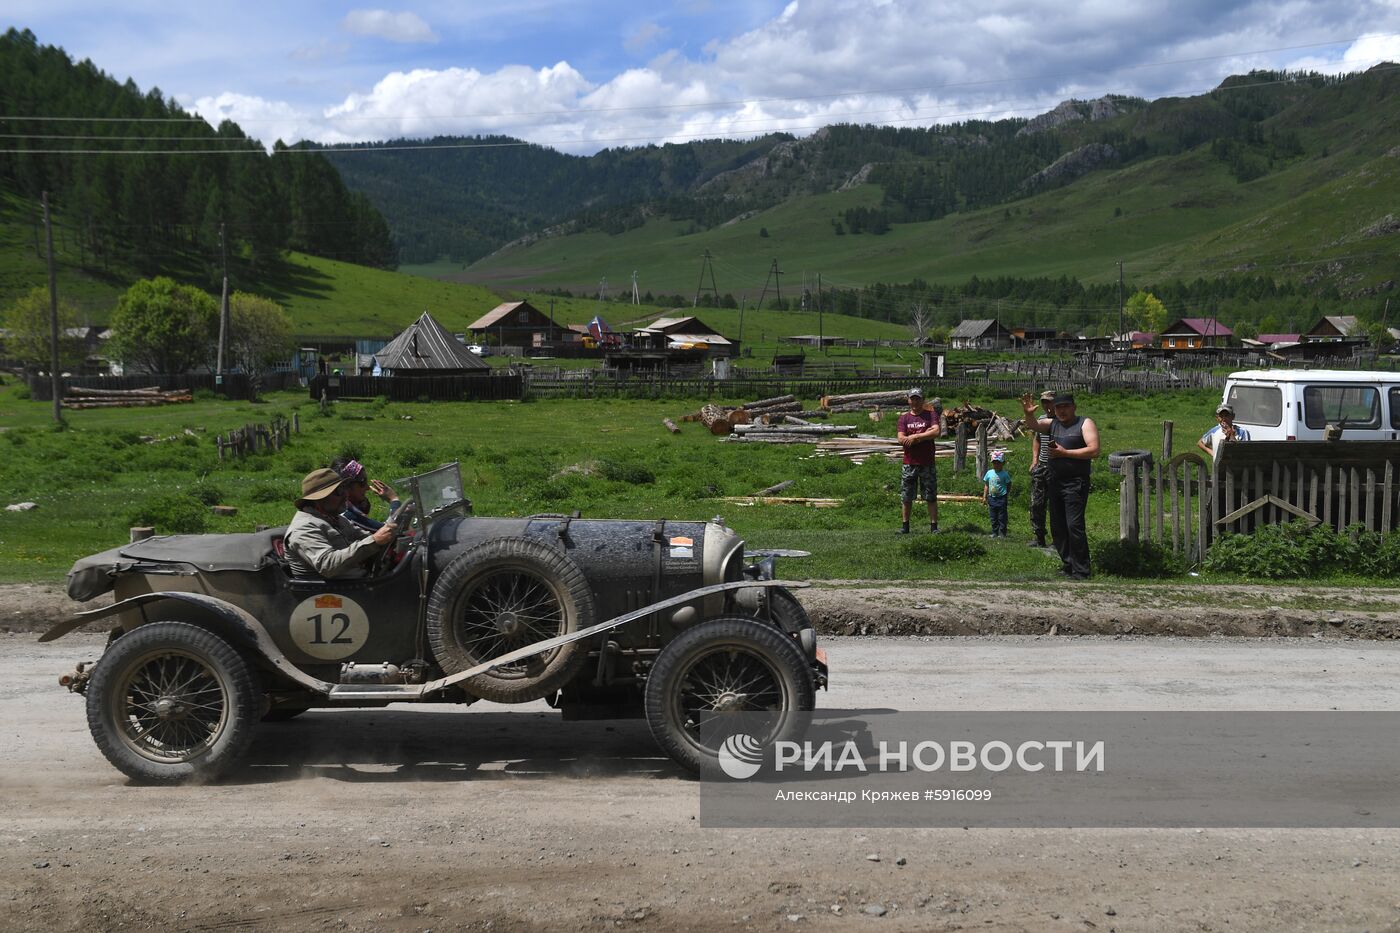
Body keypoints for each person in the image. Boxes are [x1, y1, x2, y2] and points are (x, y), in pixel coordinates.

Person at [1019, 391, 1100, 579]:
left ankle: (1081, 570)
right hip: (1054, 480)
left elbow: (1094, 450)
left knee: (1074, 525)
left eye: (1065, 407)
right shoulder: (1052, 423)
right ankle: (1068, 565)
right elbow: (1034, 425)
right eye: (1058, 407)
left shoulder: (1084, 423)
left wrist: (1065, 453)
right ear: (1053, 409)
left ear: (1074, 407)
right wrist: (1029, 414)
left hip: (1076, 482)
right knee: (1058, 526)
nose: (1062, 411)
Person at [285, 468, 396, 579]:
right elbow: (327, 565)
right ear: (319, 498)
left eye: (344, 489)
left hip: (363, 582)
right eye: (339, 492)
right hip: (338, 592)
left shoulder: (334, 518)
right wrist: (374, 541)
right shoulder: (303, 528)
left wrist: (386, 537)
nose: (345, 496)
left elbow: (364, 537)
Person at [897, 388, 943, 534]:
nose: (915, 401)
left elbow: (936, 431)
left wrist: (916, 437)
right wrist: (923, 435)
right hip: (909, 462)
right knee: (906, 496)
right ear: (909, 400)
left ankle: (934, 527)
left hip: (927, 461)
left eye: (918, 398)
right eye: (913, 399)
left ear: (923, 400)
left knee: (930, 495)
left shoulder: (930, 415)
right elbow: (900, 438)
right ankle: (905, 526)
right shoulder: (904, 418)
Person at [331, 457, 400, 532]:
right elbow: (389, 530)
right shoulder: (348, 516)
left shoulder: (351, 507)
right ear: (347, 486)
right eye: (362, 482)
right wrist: (394, 500)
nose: (368, 487)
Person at [1028, 390, 1056, 548]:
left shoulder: (1062, 419)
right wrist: (1034, 459)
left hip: (1057, 467)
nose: (1047, 405)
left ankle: (1057, 539)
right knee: (1036, 503)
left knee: (1056, 505)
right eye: (1044, 402)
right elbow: (1037, 439)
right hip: (1042, 465)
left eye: (1049, 401)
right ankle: (1039, 537)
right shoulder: (1041, 419)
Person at [982, 451, 1012, 538]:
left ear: (1003, 463)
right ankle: (995, 532)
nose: (996, 465)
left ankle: (1002, 532)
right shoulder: (989, 473)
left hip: (1002, 497)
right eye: (994, 463)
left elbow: (1009, 484)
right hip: (992, 497)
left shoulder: (1004, 474)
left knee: (1002, 516)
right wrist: (984, 496)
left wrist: (1006, 493)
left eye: (998, 463)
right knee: (993, 516)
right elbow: (986, 485)